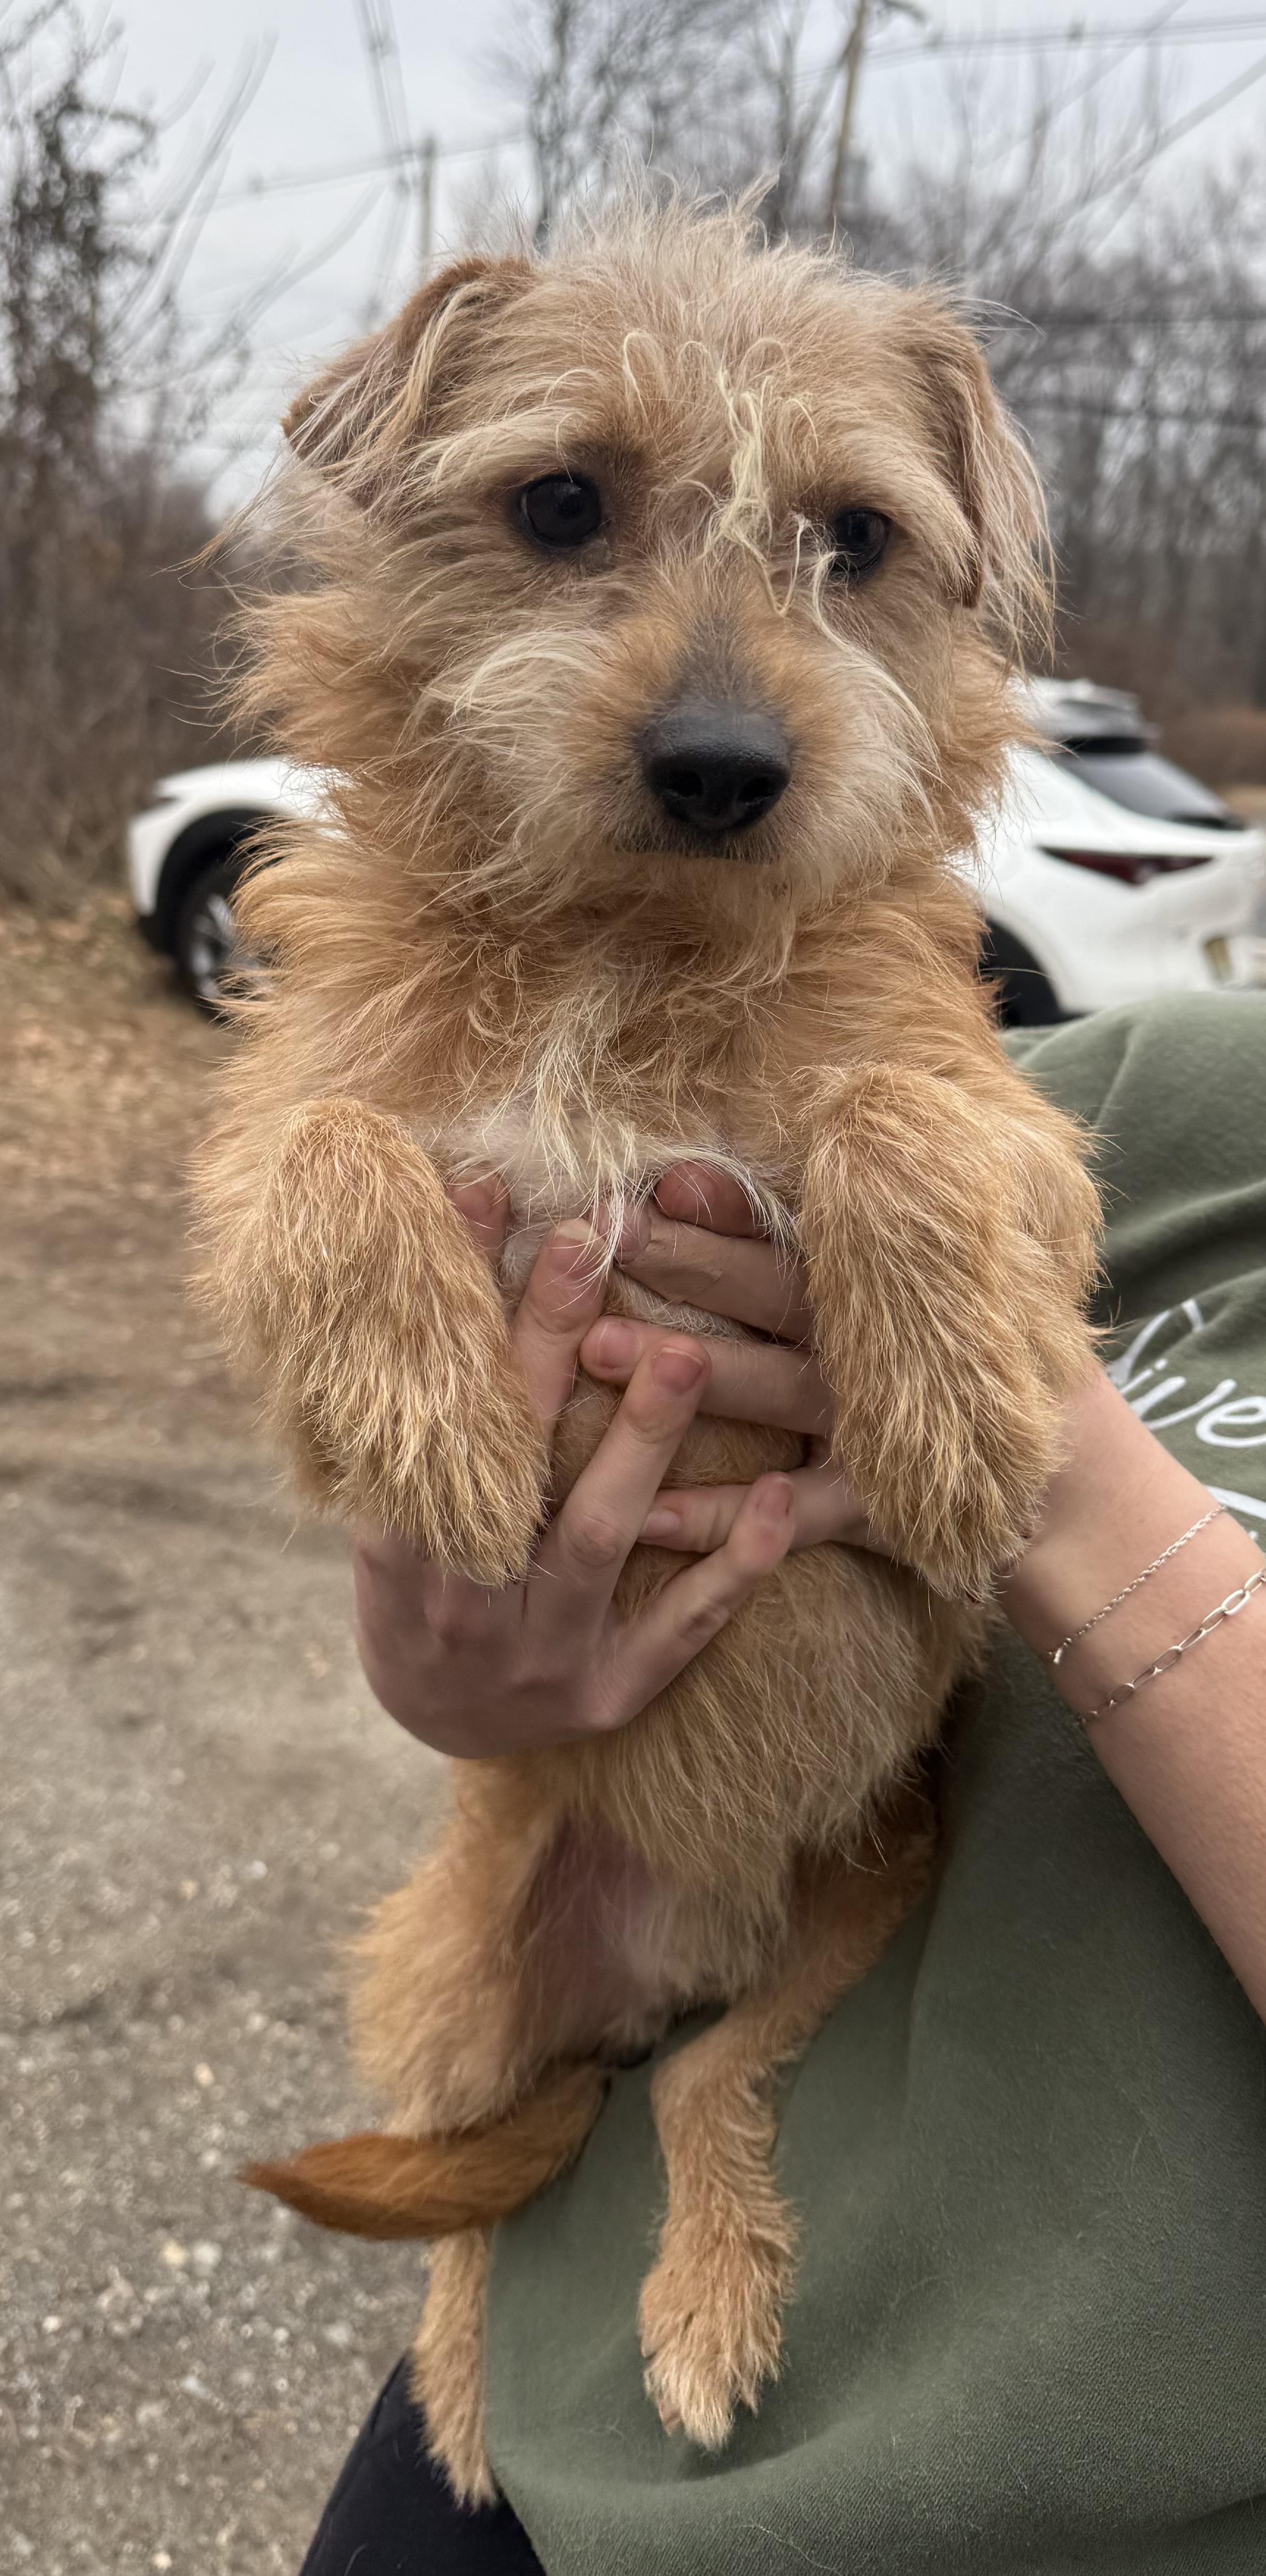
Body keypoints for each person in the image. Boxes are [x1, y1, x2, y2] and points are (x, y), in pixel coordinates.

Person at [300, 996, 1266, 2576]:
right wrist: (459, 1642)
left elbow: (991, 1405)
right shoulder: (1190, 1083)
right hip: (555, 2367)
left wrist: (1061, 1482)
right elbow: (631, 1265)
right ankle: (464, 2279)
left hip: (1066, 2499)